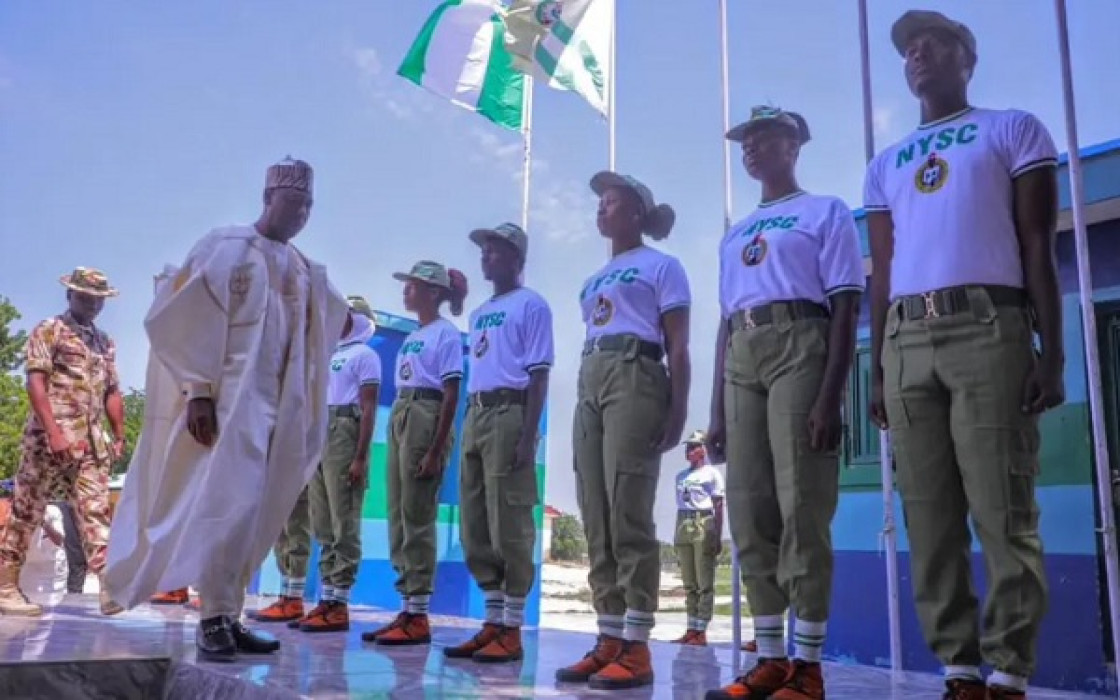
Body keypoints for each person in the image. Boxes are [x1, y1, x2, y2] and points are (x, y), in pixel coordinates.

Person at [864, 11, 1062, 699]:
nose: (917, 54)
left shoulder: (1011, 128)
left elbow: (1038, 243)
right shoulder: (885, 162)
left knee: (1002, 509)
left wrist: (1053, 351)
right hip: (905, 340)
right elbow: (881, 273)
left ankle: (1007, 673)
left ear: (965, 56)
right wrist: (878, 369)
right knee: (929, 515)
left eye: (931, 43)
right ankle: (960, 671)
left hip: (989, 326)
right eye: (908, 49)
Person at [104, 157, 349, 663]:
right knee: (225, 506)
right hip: (230, 403)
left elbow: (338, 317)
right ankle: (211, 618)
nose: (301, 214)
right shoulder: (227, 247)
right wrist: (197, 391)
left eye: (308, 206)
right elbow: (183, 317)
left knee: (258, 512)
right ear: (267, 198)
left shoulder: (304, 268)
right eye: (293, 203)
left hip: (280, 407)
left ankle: (228, 614)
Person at [705, 106, 864, 700]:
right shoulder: (734, 231)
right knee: (748, 506)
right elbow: (723, 323)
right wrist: (716, 410)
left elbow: (846, 306)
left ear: (794, 144)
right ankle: (768, 656)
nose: (752, 148)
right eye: (747, 140)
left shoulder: (825, 212)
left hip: (803, 340)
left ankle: (808, 665)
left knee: (803, 503)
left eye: (765, 137)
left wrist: (831, 394)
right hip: (742, 353)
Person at [555, 171, 690, 691]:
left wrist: (678, 408)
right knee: (595, 509)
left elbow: (678, 343)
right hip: (592, 376)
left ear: (636, 211)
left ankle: (637, 643)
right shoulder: (593, 280)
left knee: (628, 505)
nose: (601, 209)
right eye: (599, 203)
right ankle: (609, 635)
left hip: (636, 372)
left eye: (610, 202)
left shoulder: (663, 266)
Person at [443, 222, 553, 664]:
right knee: (475, 523)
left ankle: (512, 627)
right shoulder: (480, 311)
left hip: (510, 411)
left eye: (494, 251)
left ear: (516, 257)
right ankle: (492, 622)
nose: (486, 257)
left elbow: (539, 373)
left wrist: (529, 435)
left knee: (508, 519)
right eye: (484, 250)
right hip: (477, 412)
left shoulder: (533, 305)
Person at [0, 268, 127, 617]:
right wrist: (54, 433)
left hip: (90, 442)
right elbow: (35, 383)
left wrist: (118, 433)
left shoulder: (104, 342)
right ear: (70, 295)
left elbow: (112, 391)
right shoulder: (49, 330)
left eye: (98, 299)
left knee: (95, 510)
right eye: (85, 296)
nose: (92, 304)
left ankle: (108, 586)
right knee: (28, 509)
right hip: (48, 438)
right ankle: (6, 586)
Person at [252, 294, 379, 634]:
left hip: (345, 432)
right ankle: (325, 599)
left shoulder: (365, 355)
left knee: (344, 522)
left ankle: (339, 604)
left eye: (347, 314)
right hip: (321, 432)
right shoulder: (330, 355)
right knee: (322, 522)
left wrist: (361, 456)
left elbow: (367, 409)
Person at [362, 261, 468, 646]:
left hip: (427, 412)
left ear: (434, 292)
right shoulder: (414, 336)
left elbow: (452, 393)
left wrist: (437, 449)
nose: (406, 290)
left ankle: (419, 614)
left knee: (417, 514)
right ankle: (406, 606)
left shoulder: (446, 335)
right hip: (404, 413)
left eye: (414, 285)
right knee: (398, 514)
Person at [671, 430, 725, 647]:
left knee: (704, 581)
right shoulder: (681, 476)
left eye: (694, 446)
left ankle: (701, 630)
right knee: (689, 581)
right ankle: (691, 628)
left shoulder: (712, 473)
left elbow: (718, 505)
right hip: (683, 521)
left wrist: (717, 535)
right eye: (688, 447)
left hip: (703, 521)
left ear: (703, 449)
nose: (689, 450)